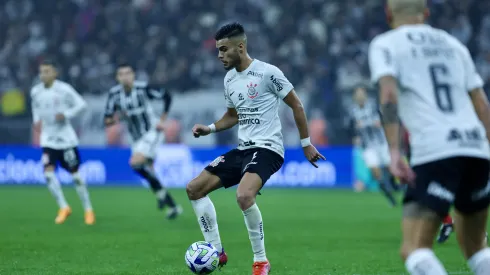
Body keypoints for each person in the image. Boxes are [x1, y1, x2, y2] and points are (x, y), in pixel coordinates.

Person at [187, 22, 325, 275]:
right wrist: (210, 128)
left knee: (243, 196)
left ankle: (261, 261)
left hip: (268, 149)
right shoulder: (229, 79)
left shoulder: (268, 72)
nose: (219, 56)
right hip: (243, 149)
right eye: (218, 50)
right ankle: (217, 250)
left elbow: (297, 105)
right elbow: (232, 115)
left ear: (240, 47)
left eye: (223, 49)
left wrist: (306, 144)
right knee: (194, 189)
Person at [369, 0, 490, 274]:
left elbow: (388, 96)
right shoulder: (453, 44)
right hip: (476, 147)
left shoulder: (385, 44)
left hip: (436, 149)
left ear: (388, 14)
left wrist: (394, 152)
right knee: (476, 247)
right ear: (426, 13)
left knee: (414, 249)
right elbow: (481, 103)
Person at [104, 63, 182, 219]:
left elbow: (167, 95)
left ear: (133, 75)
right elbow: (107, 119)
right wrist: (116, 119)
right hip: (135, 139)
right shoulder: (114, 94)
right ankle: (170, 203)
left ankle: (162, 195)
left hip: (152, 132)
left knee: (135, 163)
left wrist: (162, 119)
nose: (125, 77)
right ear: (117, 77)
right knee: (147, 169)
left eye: (128, 73)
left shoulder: (142, 89)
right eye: (121, 74)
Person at [31, 60, 95, 225]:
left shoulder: (64, 89)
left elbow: (82, 104)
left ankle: (88, 210)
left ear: (55, 73)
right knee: (48, 173)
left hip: (66, 139)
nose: (43, 75)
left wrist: (66, 114)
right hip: (48, 139)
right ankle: (63, 207)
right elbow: (35, 108)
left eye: (47, 71)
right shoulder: (35, 91)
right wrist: (36, 121)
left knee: (76, 177)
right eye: (41, 72)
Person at [350, 86, 398, 206]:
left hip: (381, 143)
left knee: (390, 168)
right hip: (368, 146)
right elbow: (352, 128)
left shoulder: (373, 107)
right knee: (376, 172)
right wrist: (356, 135)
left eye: (362, 93)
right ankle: (389, 196)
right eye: (358, 94)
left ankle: (394, 184)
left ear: (365, 95)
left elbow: (381, 121)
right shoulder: (353, 111)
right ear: (355, 97)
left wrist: (371, 124)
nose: (360, 96)